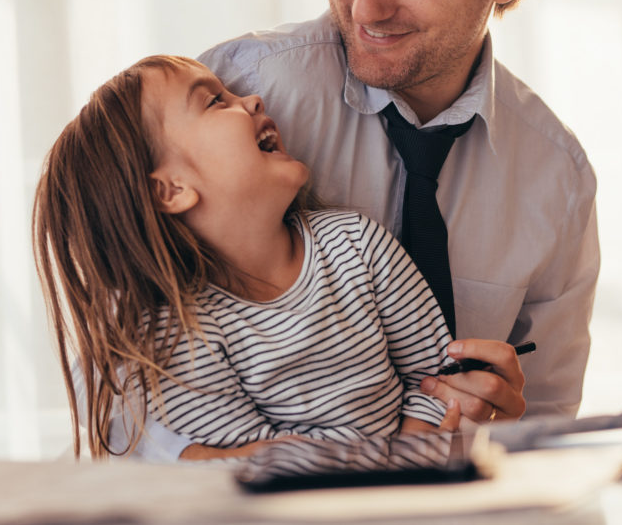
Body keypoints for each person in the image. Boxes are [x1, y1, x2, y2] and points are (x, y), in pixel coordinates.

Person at [203, 0, 598, 419]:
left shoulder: (555, 180)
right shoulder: (238, 96)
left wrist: (500, 427)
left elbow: (546, 430)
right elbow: (119, 392)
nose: (366, 5)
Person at [32, 54, 465, 459]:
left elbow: (436, 377)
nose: (254, 100)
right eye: (216, 101)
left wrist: (406, 471)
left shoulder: (357, 244)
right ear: (171, 189)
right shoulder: (178, 335)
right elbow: (254, 465)